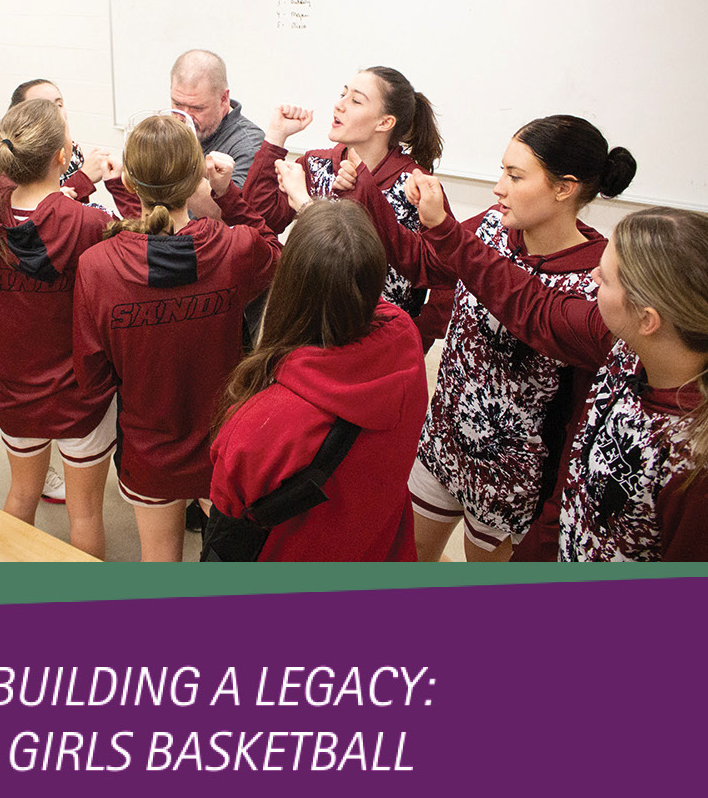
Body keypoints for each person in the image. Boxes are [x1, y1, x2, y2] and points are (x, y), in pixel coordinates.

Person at [297, 115, 635, 564]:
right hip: (444, 441)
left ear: (564, 187)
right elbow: (424, 263)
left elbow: (523, 302)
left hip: (513, 476)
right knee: (405, 556)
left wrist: (448, 231)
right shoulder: (494, 227)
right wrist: (369, 194)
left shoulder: (597, 279)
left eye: (515, 176)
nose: (499, 188)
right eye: (501, 171)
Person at [401, 183, 708, 565]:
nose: (594, 276)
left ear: (647, 319)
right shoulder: (623, 350)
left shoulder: (690, 461)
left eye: (607, 278)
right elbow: (532, 305)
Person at [73, 114, 281, 563]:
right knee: (230, 559)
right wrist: (228, 197)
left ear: (128, 179)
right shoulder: (234, 248)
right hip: (219, 443)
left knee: (159, 560)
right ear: (198, 179)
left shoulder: (97, 265)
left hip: (148, 448)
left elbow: (91, 377)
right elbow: (274, 250)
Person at [208, 200, 428, 562]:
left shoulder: (264, 421)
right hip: (378, 543)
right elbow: (348, 278)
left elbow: (228, 503)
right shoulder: (404, 338)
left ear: (289, 285)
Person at [0, 99, 117, 557]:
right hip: (81, 396)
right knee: (84, 514)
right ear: (63, 157)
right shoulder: (90, 223)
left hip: (14, 391)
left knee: (21, 496)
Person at [243, 66, 453, 350]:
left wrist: (421, 335)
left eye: (355, 100)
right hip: (310, 329)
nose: (339, 104)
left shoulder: (415, 185)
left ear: (384, 122)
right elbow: (263, 218)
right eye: (342, 94)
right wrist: (276, 138)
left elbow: (446, 272)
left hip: (382, 338)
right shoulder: (316, 164)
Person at [169, 50, 264, 219]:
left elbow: (231, 217)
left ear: (223, 99)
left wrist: (180, 169)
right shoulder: (175, 128)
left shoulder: (250, 145)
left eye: (197, 108)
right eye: (177, 104)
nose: (184, 117)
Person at [9, 79, 109, 205]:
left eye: (59, 105)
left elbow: (76, 210)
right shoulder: (11, 155)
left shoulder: (73, 149)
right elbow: (23, 213)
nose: (55, 112)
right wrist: (84, 178)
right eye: (41, 106)